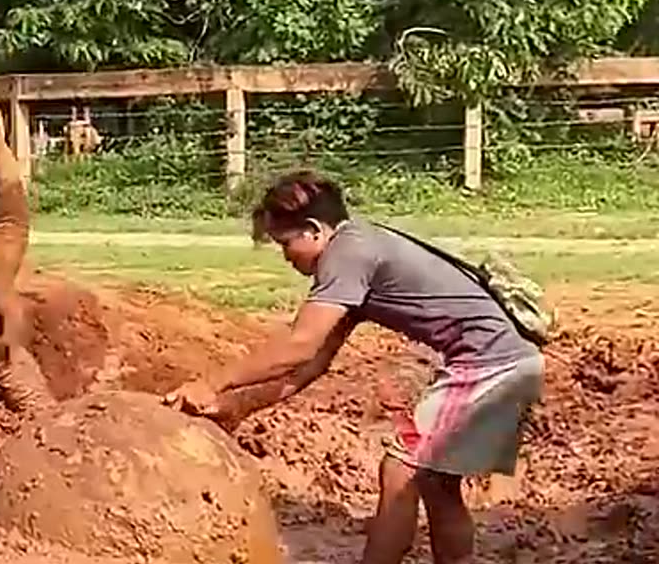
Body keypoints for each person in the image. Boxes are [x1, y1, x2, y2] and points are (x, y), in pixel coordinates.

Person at [163, 169, 545, 564]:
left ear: (313, 229)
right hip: (504, 360)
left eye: (285, 243)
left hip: (489, 363)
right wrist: (241, 406)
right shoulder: (357, 251)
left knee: (401, 468)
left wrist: (212, 382)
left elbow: (299, 344)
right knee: (436, 482)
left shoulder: (348, 253)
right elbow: (311, 364)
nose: (286, 257)